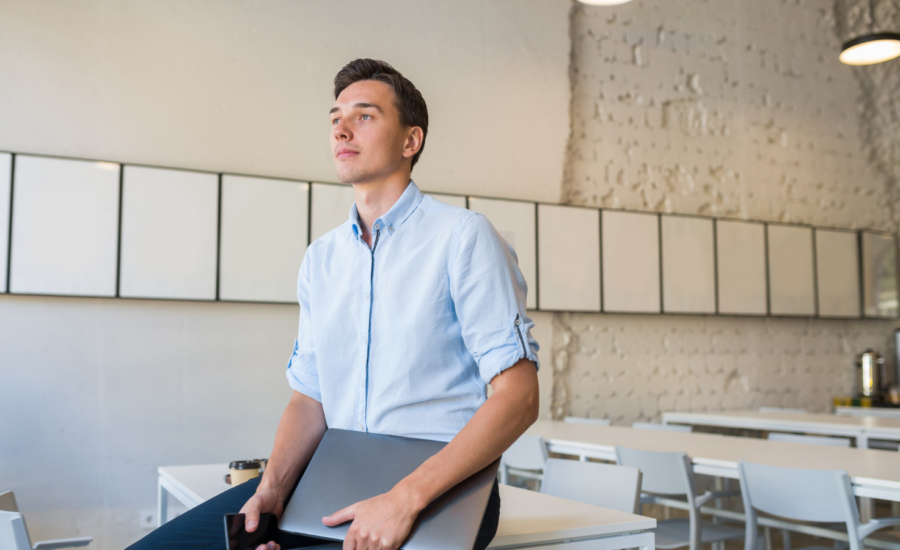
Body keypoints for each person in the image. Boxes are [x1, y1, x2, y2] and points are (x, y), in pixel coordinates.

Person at [128, 58, 540, 550]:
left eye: (364, 116)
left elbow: (519, 397)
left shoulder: (462, 238)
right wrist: (272, 490)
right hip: (332, 478)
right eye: (335, 118)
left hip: (439, 494)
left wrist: (404, 499)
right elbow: (309, 398)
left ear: (411, 141)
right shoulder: (321, 258)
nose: (342, 129)